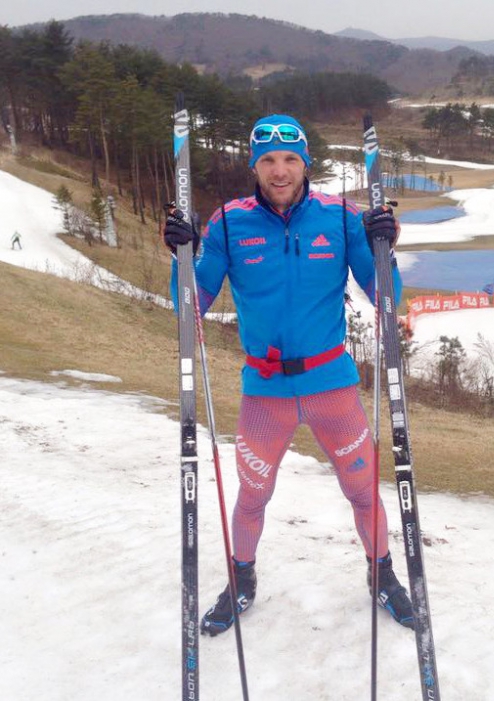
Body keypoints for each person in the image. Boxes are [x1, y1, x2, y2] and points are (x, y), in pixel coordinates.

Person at [164, 114, 413, 635]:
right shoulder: (228, 222)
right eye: (268, 161)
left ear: (306, 164)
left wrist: (383, 248)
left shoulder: (341, 217)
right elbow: (190, 308)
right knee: (252, 495)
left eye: (290, 159)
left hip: (332, 387)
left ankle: (382, 575)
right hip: (265, 393)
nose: (280, 171)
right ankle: (241, 579)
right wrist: (181, 254)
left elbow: (388, 301)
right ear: (254, 165)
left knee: (362, 488)